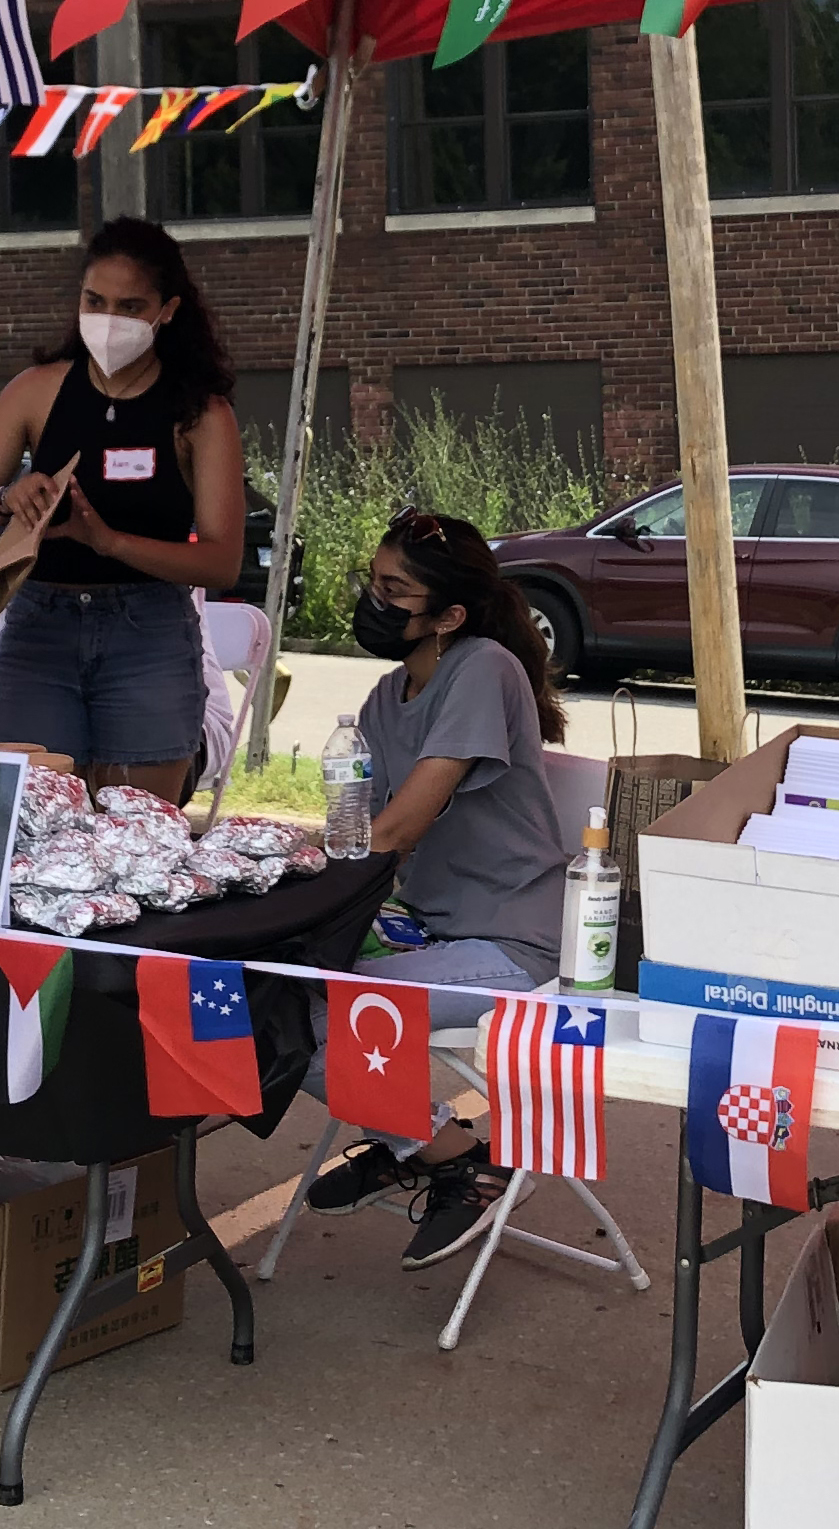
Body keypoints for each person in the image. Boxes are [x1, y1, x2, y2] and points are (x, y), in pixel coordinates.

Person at [293, 511, 574, 1268]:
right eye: (373, 581)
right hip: (428, 929)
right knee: (272, 992)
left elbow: (396, 828)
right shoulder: (389, 695)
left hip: (513, 944)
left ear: (450, 615)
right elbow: (359, 832)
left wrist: (312, 877)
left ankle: (451, 1155)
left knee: (308, 1013)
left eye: (394, 589)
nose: (374, 601)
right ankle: (415, 1140)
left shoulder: (482, 667)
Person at [0, 219, 245, 800]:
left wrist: (111, 542)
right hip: (38, 627)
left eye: (130, 307)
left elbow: (223, 562)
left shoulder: (201, 412)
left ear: (167, 311)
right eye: (93, 301)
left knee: (139, 831)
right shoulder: (36, 390)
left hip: (147, 630)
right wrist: (8, 500)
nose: (108, 320)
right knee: (20, 820)